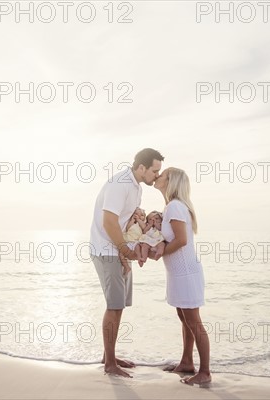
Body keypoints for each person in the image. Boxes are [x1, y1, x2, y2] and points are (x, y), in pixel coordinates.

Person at [90, 148, 164, 378]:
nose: (156, 175)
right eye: (154, 170)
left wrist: (127, 252)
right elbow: (109, 222)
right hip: (107, 249)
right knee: (114, 305)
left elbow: (126, 223)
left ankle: (109, 355)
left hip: (119, 250)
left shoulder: (136, 188)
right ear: (141, 167)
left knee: (119, 304)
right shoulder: (119, 184)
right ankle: (110, 364)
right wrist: (123, 250)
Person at [153, 167, 211, 385]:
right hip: (179, 274)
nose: (157, 176)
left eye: (162, 175)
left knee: (194, 322)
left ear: (171, 182)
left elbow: (181, 240)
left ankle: (205, 372)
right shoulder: (172, 206)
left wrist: (159, 252)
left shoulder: (175, 206)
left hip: (186, 274)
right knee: (185, 319)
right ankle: (187, 362)